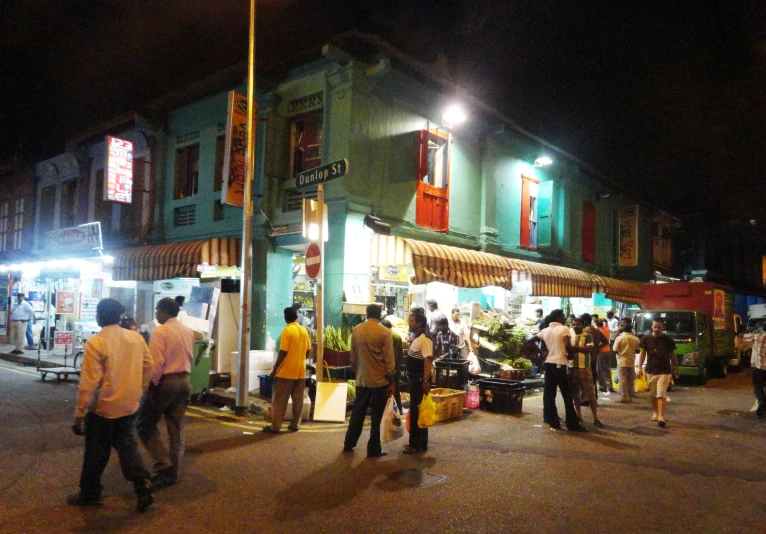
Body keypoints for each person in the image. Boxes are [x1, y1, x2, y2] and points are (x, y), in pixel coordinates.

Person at [68, 298, 154, 511]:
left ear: (100, 316)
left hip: (103, 408)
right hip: (129, 405)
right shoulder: (135, 338)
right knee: (126, 445)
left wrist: (80, 413)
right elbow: (148, 365)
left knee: (96, 452)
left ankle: (90, 494)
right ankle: (142, 484)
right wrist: (138, 392)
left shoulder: (96, 342)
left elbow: (89, 382)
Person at [136, 297, 195, 488]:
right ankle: (173, 473)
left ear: (163, 311)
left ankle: (163, 463)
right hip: (184, 380)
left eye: (156, 311)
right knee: (176, 428)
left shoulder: (160, 331)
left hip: (166, 382)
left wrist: (150, 387)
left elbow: (156, 363)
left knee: (144, 423)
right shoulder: (188, 331)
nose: (155, 314)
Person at [343, 305, 395, 457]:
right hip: (379, 381)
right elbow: (389, 362)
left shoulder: (357, 330)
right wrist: (391, 380)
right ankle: (373, 448)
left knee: (357, 412)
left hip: (362, 380)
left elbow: (352, 356)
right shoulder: (385, 332)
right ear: (380, 315)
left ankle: (349, 443)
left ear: (367, 314)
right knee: (377, 416)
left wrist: (357, 371)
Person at [524, 309, 587, 432]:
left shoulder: (545, 330)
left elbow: (529, 341)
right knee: (566, 394)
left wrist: (541, 352)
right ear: (558, 317)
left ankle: (551, 420)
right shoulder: (564, 329)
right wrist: (572, 353)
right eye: (563, 315)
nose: (565, 318)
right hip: (560, 363)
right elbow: (568, 346)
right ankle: (572, 423)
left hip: (549, 364)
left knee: (549, 393)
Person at [264, 306, 311, 434]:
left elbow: (283, 352)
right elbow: (308, 351)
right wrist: (301, 361)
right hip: (300, 372)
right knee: (298, 400)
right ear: (296, 317)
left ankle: (276, 427)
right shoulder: (304, 330)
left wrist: (274, 371)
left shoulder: (287, 331)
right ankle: (295, 424)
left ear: (285, 318)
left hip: (286, 372)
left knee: (280, 401)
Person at [637, 318, 678, 427]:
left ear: (662, 327)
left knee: (661, 393)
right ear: (652, 327)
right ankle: (655, 412)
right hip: (650, 370)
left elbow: (672, 355)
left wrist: (676, 367)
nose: (657, 329)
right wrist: (639, 367)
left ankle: (661, 416)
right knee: (653, 394)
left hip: (664, 371)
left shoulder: (668, 340)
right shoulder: (646, 339)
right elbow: (642, 354)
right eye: (655, 327)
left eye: (659, 327)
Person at [403, 312, 434, 453]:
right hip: (415, 379)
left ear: (420, 323)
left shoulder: (425, 340)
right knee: (417, 410)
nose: (409, 323)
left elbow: (428, 361)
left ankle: (415, 445)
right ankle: (420, 443)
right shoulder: (418, 338)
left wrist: (426, 381)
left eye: (412, 321)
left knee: (417, 411)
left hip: (419, 380)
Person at [569, 317, 604, 428]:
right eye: (573, 324)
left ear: (583, 325)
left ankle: (596, 418)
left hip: (585, 368)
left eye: (577, 324)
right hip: (572, 368)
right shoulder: (570, 336)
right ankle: (579, 415)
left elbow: (588, 349)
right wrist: (579, 348)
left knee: (590, 395)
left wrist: (574, 348)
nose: (575, 326)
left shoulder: (587, 336)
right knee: (575, 394)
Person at [613, 320, 641, 403]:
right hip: (631, 360)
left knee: (622, 379)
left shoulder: (619, 338)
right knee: (630, 379)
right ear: (631, 329)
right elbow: (638, 350)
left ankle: (623, 398)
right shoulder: (636, 339)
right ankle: (630, 396)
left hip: (621, 361)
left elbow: (615, 350)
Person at [381, 319, 404, 414]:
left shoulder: (385, 336)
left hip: (387, 368)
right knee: (396, 389)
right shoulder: (397, 336)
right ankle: (398, 409)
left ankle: (387, 411)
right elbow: (400, 354)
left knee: (386, 390)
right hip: (396, 367)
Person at [749, 321, 766, 417]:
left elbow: (742, 335)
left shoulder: (757, 337)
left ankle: (762, 401)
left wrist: (755, 328)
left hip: (759, 367)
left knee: (757, 387)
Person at [596, 318, 616, 393]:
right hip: (607, 351)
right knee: (607, 369)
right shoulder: (607, 329)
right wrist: (605, 321)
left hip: (600, 352)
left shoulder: (598, 331)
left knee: (600, 370)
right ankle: (610, 386)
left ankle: (602, 386)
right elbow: (606, 323)